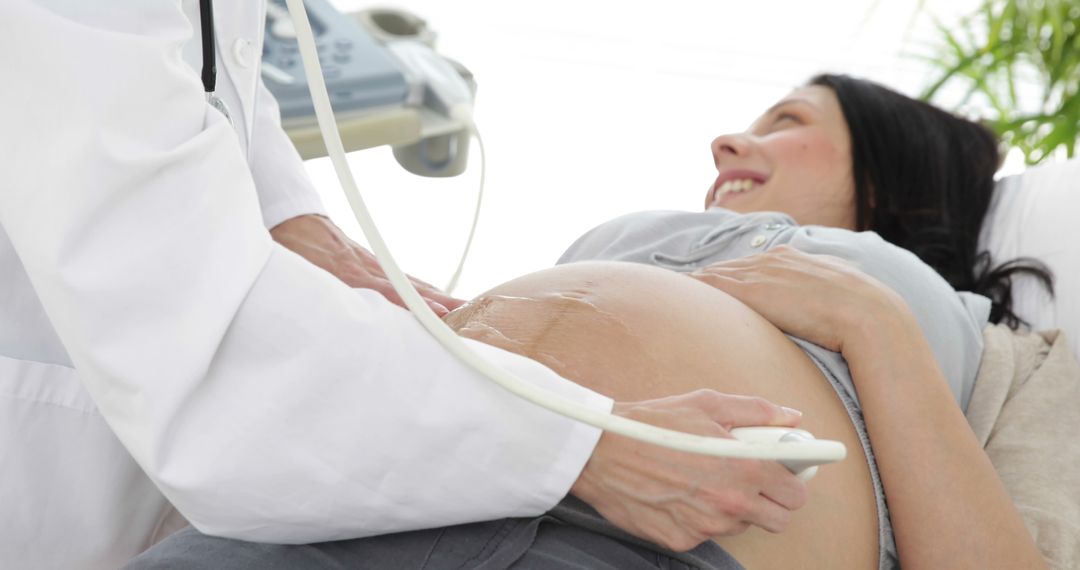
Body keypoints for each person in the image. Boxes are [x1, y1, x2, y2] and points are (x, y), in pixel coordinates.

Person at [128, 74, 1055, 570]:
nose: (731, 141)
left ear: (897, 175)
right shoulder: (638, 234)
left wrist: (875, 323)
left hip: (641, 548)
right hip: (370, 500)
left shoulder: (996, 343)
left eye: (787, 119)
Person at [0, 2, 810, 569]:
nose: (730, 142)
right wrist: (590, 450)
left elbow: (197, 72)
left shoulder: (886, 287)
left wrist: (283, 211)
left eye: (798, 121)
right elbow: (203, 338)